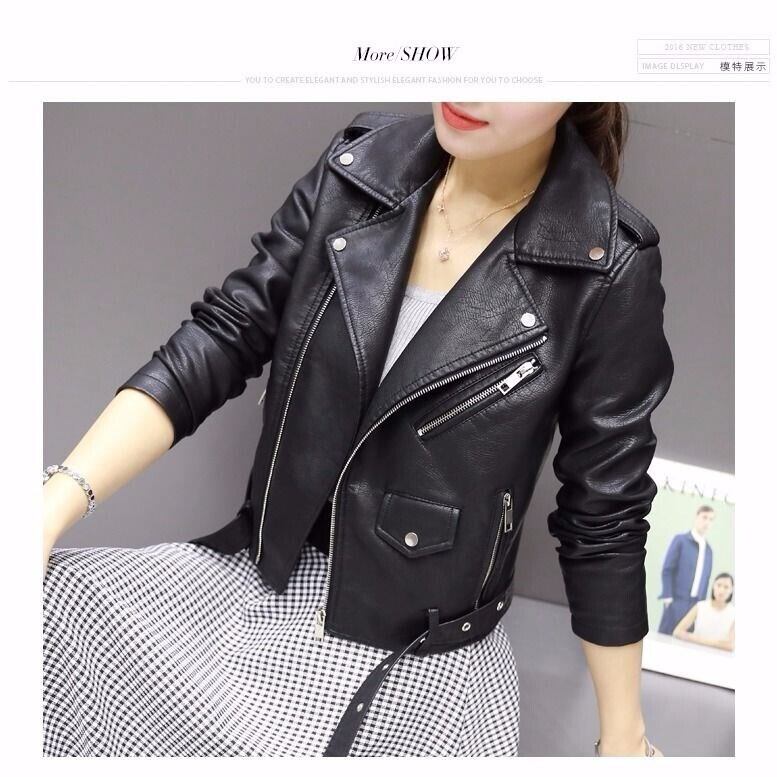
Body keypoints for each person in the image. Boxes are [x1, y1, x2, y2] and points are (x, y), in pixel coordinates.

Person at [42, 102, 673, 757]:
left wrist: (622, 739)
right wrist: (49, 507)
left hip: (416, 649)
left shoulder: (608, 263)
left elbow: (604, 509)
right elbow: (227, 332)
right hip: (264, 580)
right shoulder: (362, 164)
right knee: (48, 606)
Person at [657, 505, 715, 635]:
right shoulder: (681, 540)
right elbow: (667, 569)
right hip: (676, 601)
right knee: (666, 638)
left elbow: (706, 581)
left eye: (711, 519)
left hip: (695, 606)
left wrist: (701, 607)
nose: (707, 522)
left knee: (686, 642)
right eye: (704, 517)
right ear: (697, 517)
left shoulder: (709, 551)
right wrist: (668, 598)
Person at [672, 573, 735, 651]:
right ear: (713, 586)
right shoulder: (700, 606)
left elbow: (731, 645)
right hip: (695, 651)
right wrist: (716, 643)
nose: (721, 590)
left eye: (726, 587)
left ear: (731, 590)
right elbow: (677, 632)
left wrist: (697, 639)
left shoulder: (734, 613)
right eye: (718, 585)